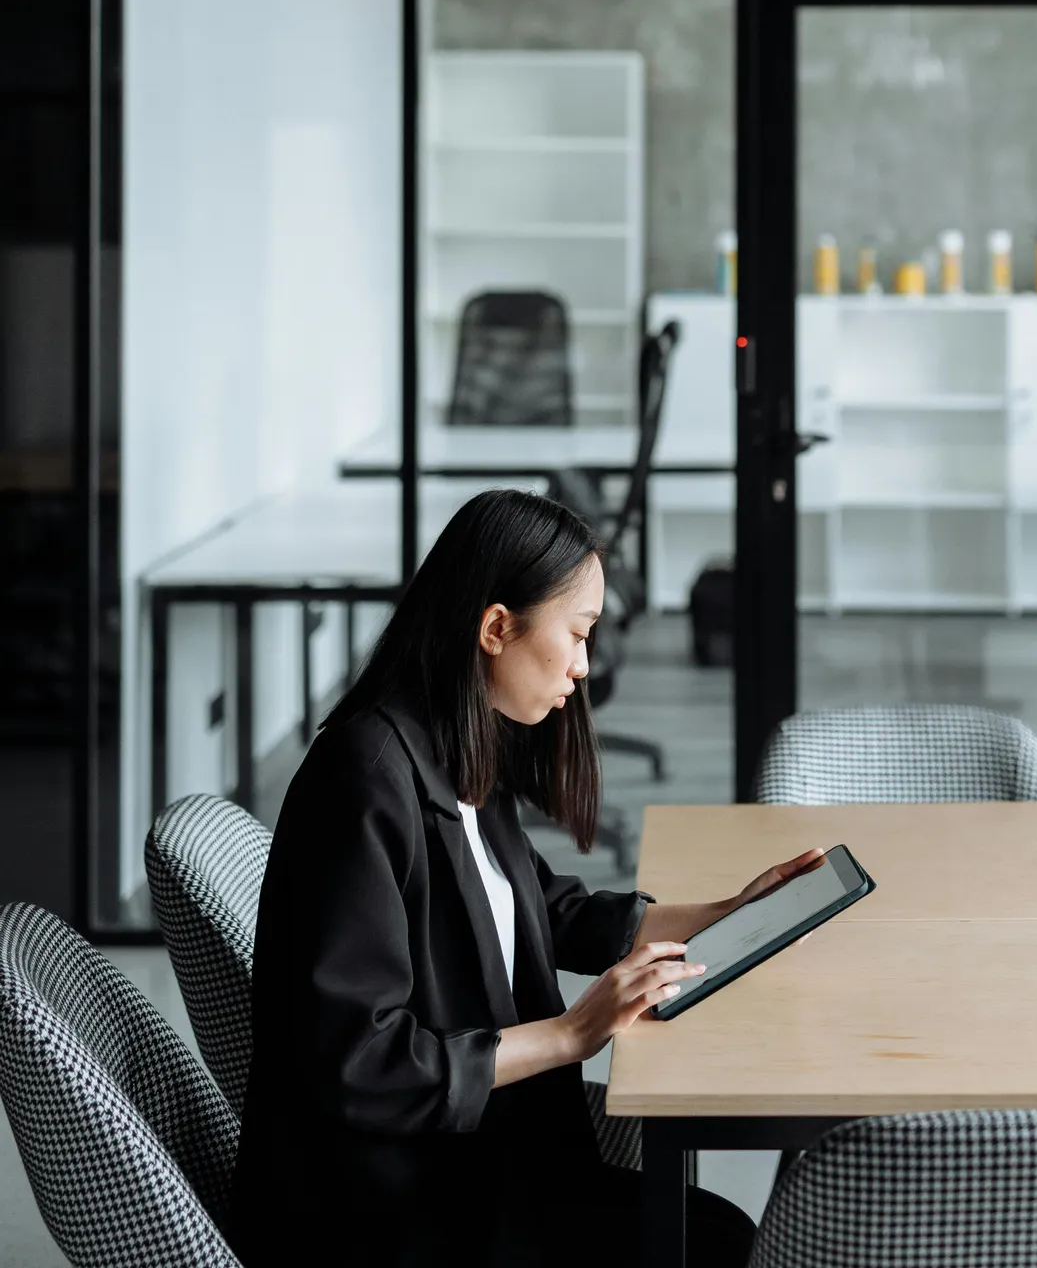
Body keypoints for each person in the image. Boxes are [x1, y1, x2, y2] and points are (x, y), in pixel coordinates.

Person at [228, 489, 823, 1268]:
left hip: (485, 1159)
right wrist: (575, 1033)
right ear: (496, 627)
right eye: (576, 635)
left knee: (711, 1229)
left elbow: (534, 904)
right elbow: (362, 1065)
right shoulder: (365, 779)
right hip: (403, 1213)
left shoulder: (453, 742)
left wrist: (723, 914)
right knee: (712, 1239)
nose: (583, 665)